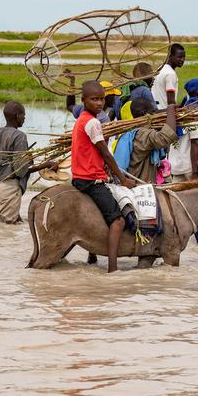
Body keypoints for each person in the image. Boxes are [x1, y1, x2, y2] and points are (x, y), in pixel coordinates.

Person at [71, 81, 136, 273]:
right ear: (83, 100)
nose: (99, 103)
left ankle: (92, 253)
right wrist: (123, 180)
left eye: (101, 99)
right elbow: (106, 154)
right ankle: (112, 268)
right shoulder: (93, 122)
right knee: (118, 221)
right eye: (94, 99)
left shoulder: (80, 120)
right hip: (91, 180)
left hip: (79, 177)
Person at [0, 101, 57, 224]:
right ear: (17, 116)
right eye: (23, 115)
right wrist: (46, 165)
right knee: (7, 231)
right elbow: (20, 171)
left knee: (12, 224)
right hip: (8, 189)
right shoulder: (19, 136)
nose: (25, 119)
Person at [168, 78, 198, 182]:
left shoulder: (183, 110)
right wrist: (194, 172)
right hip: (191, 168)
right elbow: (195, 142)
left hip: (177, 166)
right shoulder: (196, 113)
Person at [127, 98, 178, 183]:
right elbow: (166, 137)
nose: (155, 114)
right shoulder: (143, 134)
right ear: (145, 113)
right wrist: (170, 110)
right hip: (139, 184)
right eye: (153, 111)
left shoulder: (135, 130)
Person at [151, 43, 185, 109]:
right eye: (179, 57)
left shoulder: (160, 68)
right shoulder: (170, 74)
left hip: (156, 110)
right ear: (170, 56)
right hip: (165, 113)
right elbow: (171, 102)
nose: (182, 60)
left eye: (184, 57)